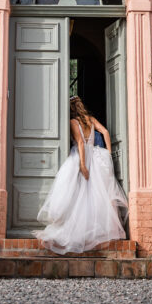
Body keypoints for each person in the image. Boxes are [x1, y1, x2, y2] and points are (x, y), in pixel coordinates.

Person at [35, 96, 128, 255]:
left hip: (81, 157)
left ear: (70, 109)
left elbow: (80, 143)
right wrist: (108, 153)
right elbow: (105, 132)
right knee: (95, 193)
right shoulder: (90, 119)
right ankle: (97, 228)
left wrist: (83, 165)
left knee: (79, 194)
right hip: (97, 156)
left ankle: (80, 229)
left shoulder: (73, 122)